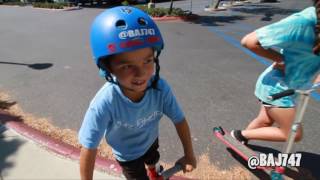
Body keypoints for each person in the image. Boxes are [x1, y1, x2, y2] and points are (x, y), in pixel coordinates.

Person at [78, 6, 196, 180]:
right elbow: (88, 147)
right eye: (126, 66)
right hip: (128, 155)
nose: (141, 74)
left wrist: (189, 154)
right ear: (107, 68)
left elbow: (180, 120)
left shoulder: (160, 88)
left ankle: (153, 169)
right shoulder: (105, 102)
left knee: (153, 159)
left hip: (150, 141)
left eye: (147, 61)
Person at [231, 2, 320, 144]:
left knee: (264, 121)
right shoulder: (303, 21)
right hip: (277, 87)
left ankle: (239, 142)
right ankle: (239, 135)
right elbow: (249, 41)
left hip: (291, 87)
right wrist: (282, 60)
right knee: (294, 134)